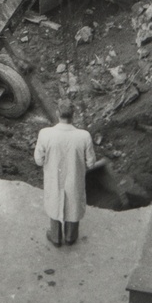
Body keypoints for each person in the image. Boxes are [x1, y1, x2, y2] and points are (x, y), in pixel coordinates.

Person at [34, 100, 96, 247]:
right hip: (75, 178)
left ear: (57, 113)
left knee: (55, 200)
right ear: (73, 115)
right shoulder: (84, 136)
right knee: (74, 202)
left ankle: (55, 237)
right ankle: (70, 236)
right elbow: (91, 163)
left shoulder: (45, 134)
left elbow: (38, 160)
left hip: (53, 177)